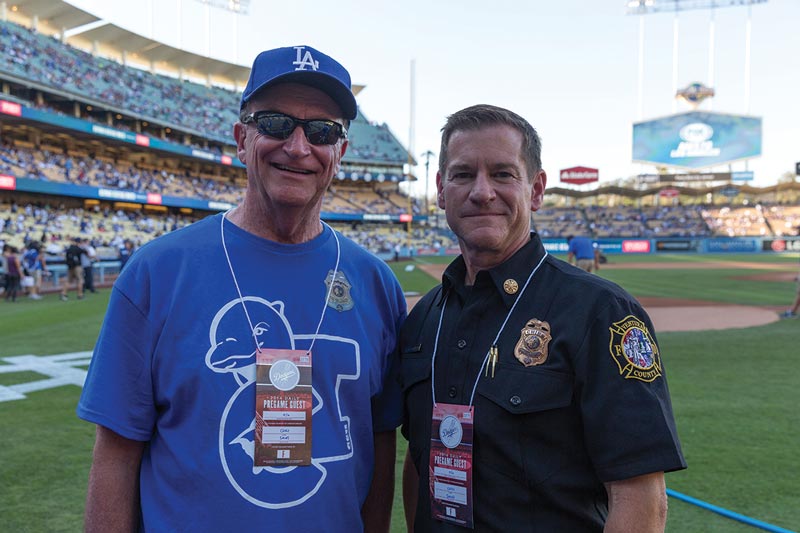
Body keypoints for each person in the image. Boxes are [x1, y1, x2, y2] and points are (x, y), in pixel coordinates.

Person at [77, 45, 406, 532]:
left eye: (322, 132)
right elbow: (116, 455)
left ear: (339, 153)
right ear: (240, 138)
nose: (298, 147)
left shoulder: (377, 284)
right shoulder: (157, 272)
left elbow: (379, 449)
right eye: (274, 123)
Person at [400, 105, 686, 531]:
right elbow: (419, 462)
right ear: (441, 190)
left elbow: (641, 499)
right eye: (463, 174)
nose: (482, 191)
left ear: (535, 190)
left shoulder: (600, 312)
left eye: (502, 174)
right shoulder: (426, 316)